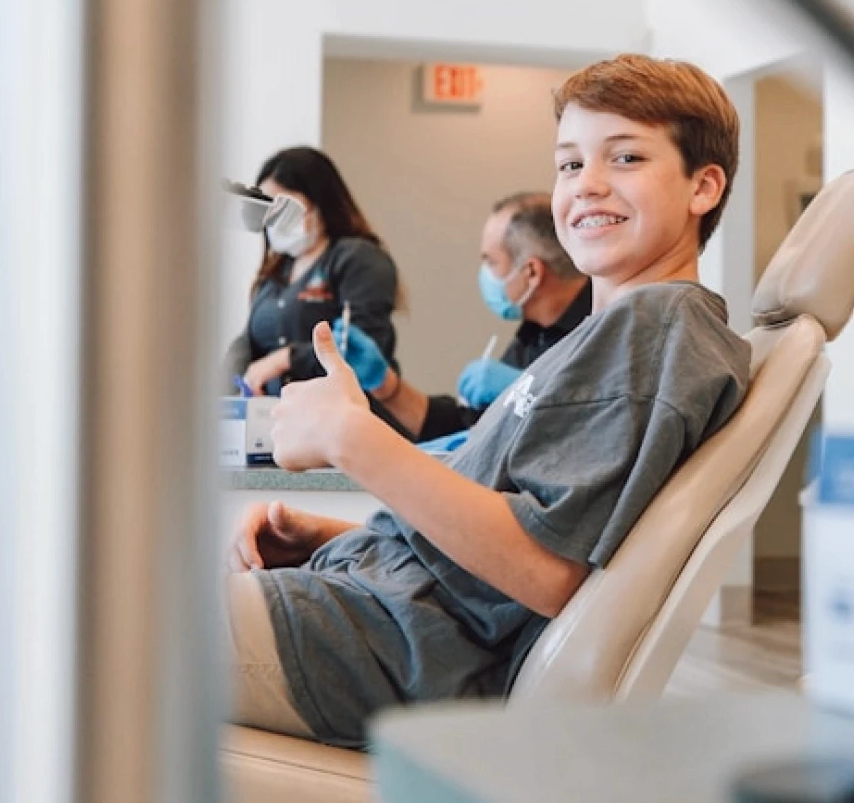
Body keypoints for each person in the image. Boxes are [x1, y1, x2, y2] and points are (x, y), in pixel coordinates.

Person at [226, 54, 751, 749]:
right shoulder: (603, 338)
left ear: (703, 186)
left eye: (625, 157)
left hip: (392, 649)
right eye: (569, 164)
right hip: (371, 612)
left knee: (102, 622)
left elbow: (545, 572)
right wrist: (332, 535)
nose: (588, 184)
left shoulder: (654, 328)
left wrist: (351, 437)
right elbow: (502, 534)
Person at [334, 191, 591, 444]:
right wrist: (385, 385)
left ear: (532, 272)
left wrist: (530, 391)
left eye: (490, 262)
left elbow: (591, 432)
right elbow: (470, 427)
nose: (484, 274)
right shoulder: (534, 334)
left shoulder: (599, 331)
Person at [224, 146, 402, 397]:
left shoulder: (357, 258)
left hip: (344, 410)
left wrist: (286, 359)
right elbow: (249, 341)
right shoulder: (276, 271)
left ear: (320, 203)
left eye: (285, 207)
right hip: (277, 414)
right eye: (268, 211)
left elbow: (359, 345)